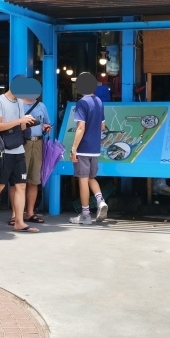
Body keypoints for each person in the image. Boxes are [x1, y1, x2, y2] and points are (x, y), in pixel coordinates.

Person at [0, 79, 39, 233]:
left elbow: (21, 125)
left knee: (21, 185)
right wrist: (19, 120)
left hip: (19, 148)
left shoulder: (19, 102)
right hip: (4, 149)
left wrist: (30, 123)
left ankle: (19, 221)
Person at [69, 73, 108, 225]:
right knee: (92, 178)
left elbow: (81, 127)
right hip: (95, 148)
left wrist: (73, 149)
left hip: (83, 148)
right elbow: (103, 126)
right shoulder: (98, 101)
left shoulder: (82, 103)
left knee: (83, 180)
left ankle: (85, 214)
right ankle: (100, 200)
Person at [21, 94, 51, 224]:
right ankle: (15, 215)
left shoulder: (41, 106)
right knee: (19, 180)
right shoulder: (18, 104)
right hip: (22, 143)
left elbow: (46, 122)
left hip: (38, 142)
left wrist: (46, 127)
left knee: (34, 180)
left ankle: (30, 213)